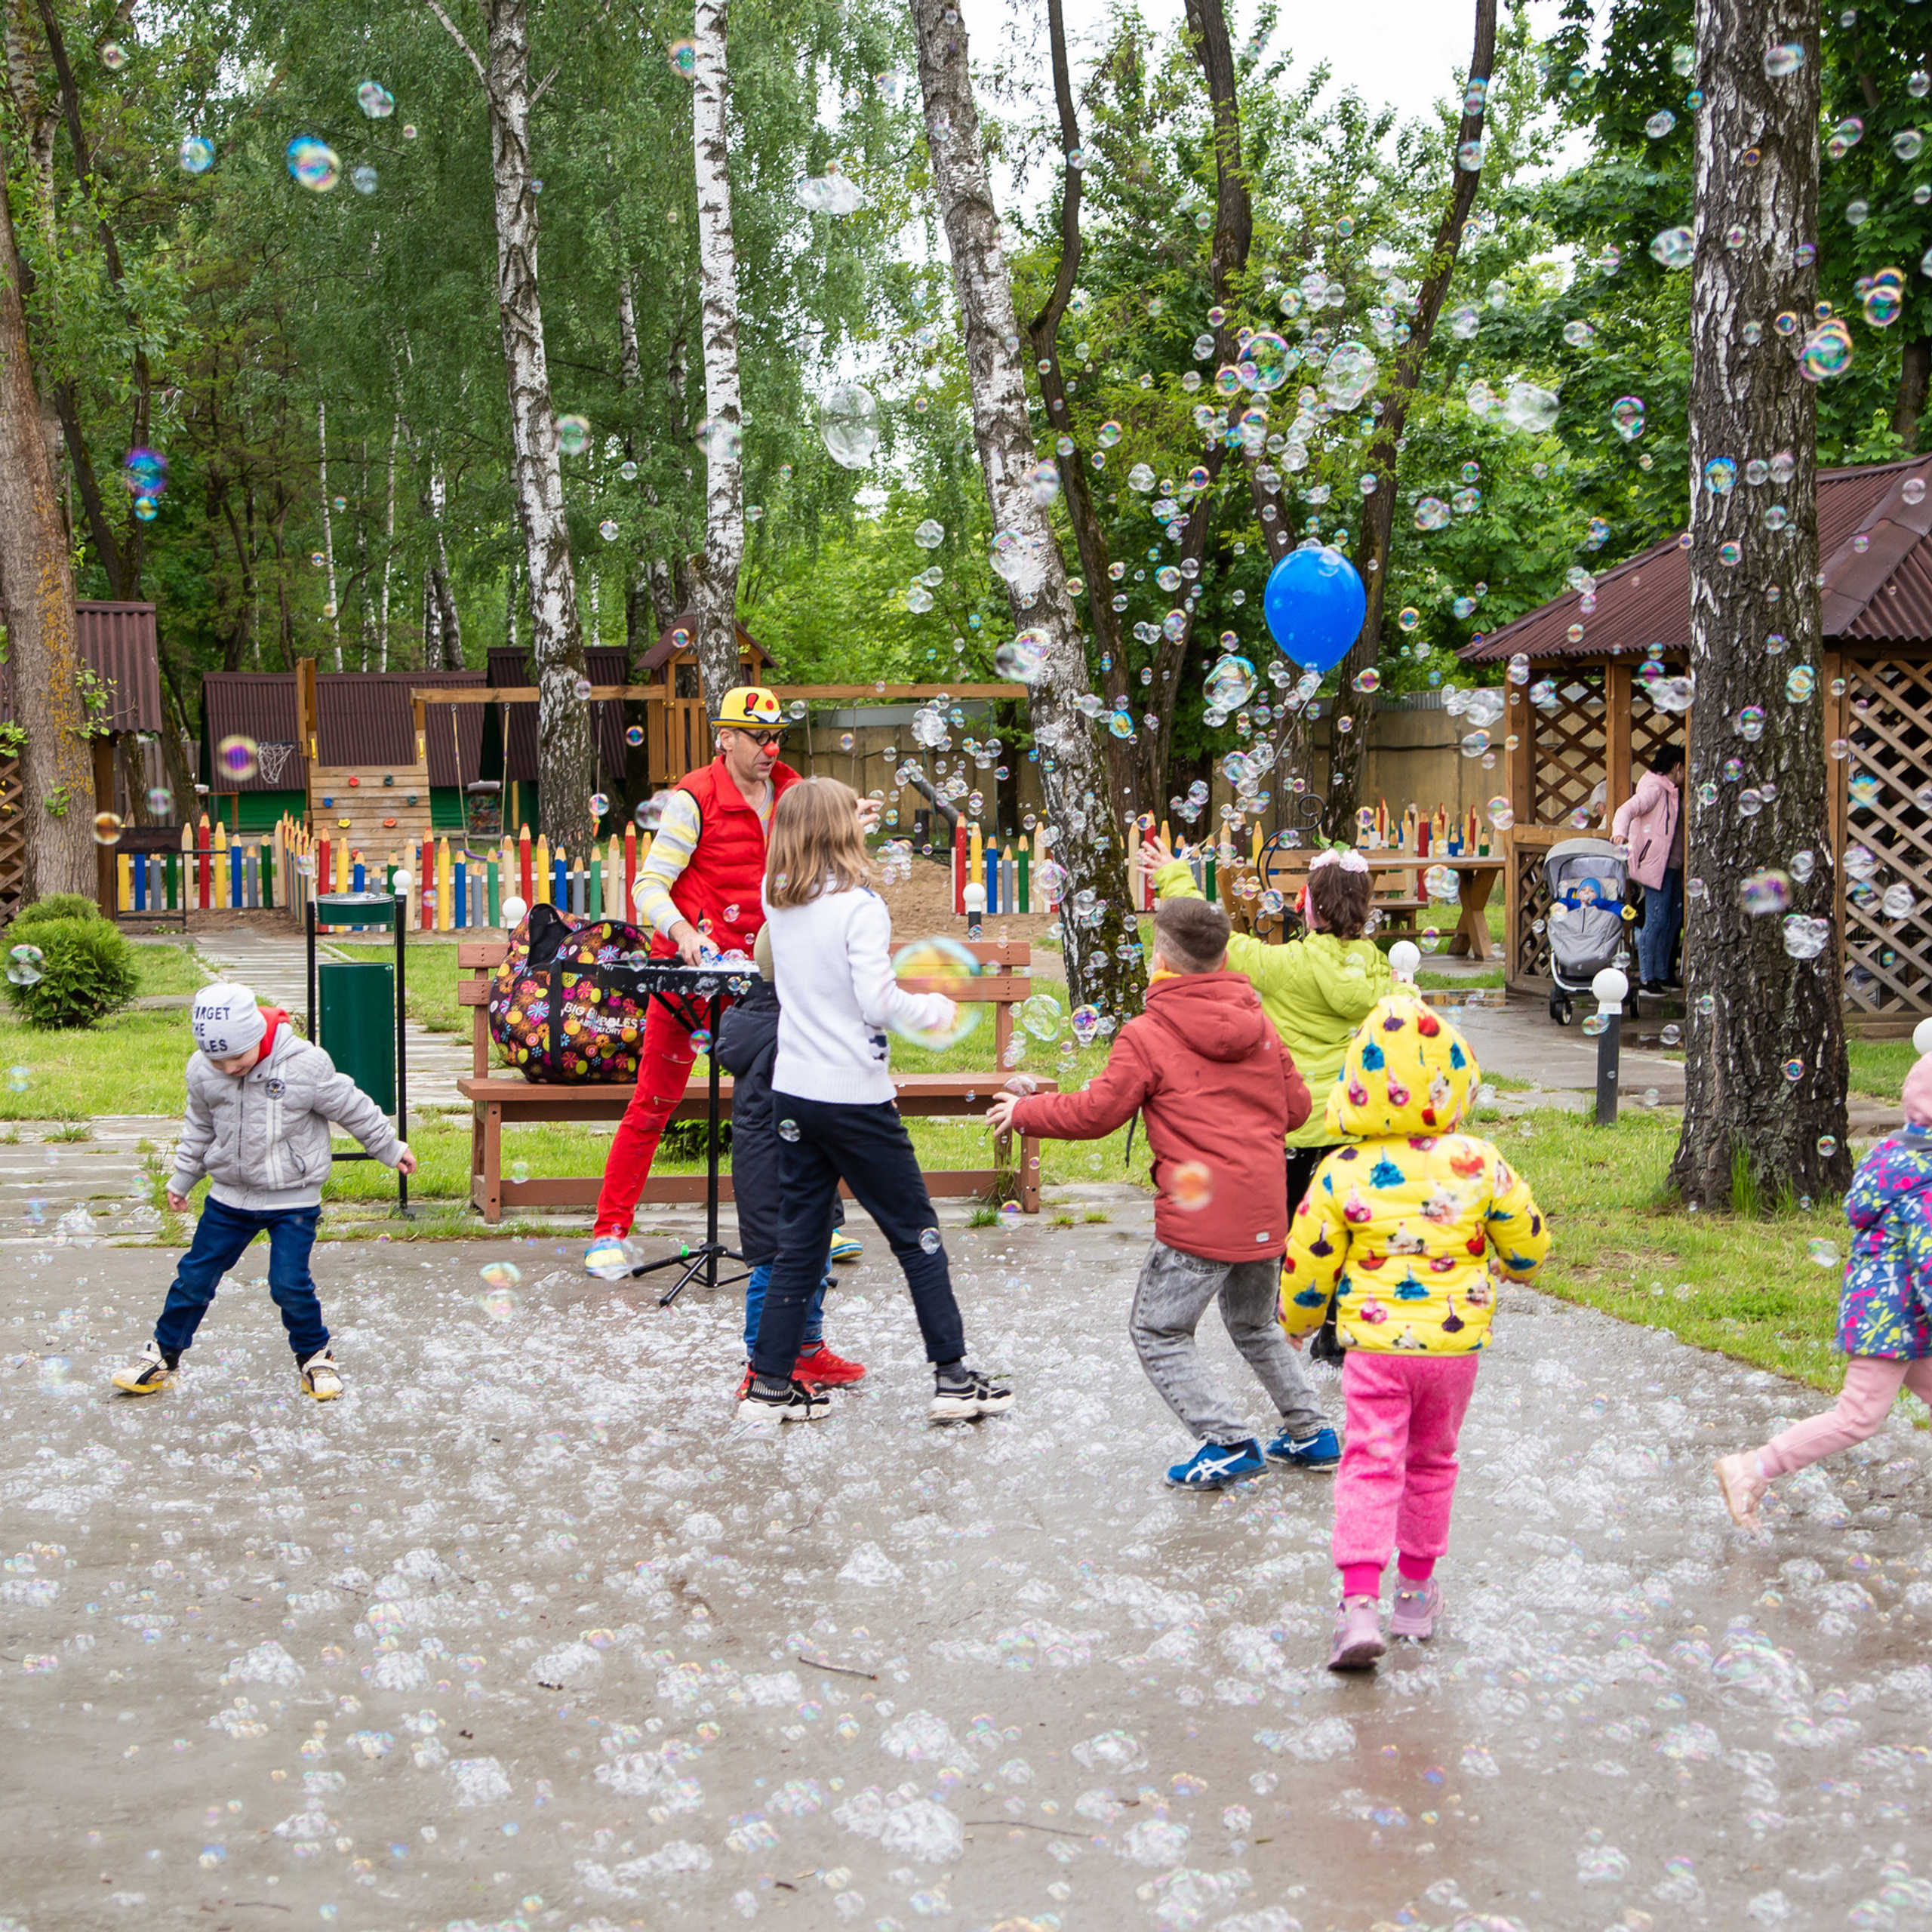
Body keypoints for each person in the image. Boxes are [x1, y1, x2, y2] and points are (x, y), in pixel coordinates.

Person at [987, 892, 1333, 1487]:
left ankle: (1226, 1440)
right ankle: (1313, 1432)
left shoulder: (1149, 1033)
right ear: (1225, 955)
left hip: (1201, 1218)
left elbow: (1096, 1112)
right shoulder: (1261, 1023)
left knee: (1158, 1330)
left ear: (1161, 959)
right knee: (1254, 1325)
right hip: (1264, 1209)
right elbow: (1298, 1108)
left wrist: (1025, 1112)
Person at [1279, 994, 1549, 1669]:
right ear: (1455, 1080)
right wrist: (1515, 1263)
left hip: (1373, 1350)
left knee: (1370, 1463)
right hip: (1453, 1352)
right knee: (1432, 1463)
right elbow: (1528, 1244)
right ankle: (1417, 1598)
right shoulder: (1481, 1163)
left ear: (1357, 1086)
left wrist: (1297, 1322)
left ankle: (1359, 1604)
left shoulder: (1341, 1170)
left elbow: (1307, 1260)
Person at [744, 777, 1011, 1425]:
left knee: (799, 1242)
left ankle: (770, 1387)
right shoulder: (861, 907)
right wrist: (936, 1007)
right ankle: (953, 1379)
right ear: (842, 831)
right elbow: (877, 1003)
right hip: (854, 1099)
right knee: (916, 1233)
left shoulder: (777, 897)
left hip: (795, 1095)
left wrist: (839, 815)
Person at [590, 684, 869, 1266]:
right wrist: (685, 934)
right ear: (726, 737)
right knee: (653, 1103)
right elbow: (648, 886)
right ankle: (610, 1231)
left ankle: (820, 1224)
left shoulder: (793, 792)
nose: (770, 749)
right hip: (693, 976)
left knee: (804, 1098)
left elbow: (825, 867)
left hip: (773, 975)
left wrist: (851, 826)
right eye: (758, 737)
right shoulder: (693, 799)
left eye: (776, 737)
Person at [1142, 835, 1393, 1371]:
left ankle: (1285, 1326)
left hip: (1297, 1130)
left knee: (1289, 1236)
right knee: (1346, 1230)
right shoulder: (1380, 973)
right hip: (1357, 1129)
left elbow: (1207, 943)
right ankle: (1338, 1332)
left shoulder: (1286, 967)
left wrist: (1176, 877)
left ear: (1307, 904)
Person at [112, 983, 419, 1400]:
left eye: (237, 1057)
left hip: (292, 1198)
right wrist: (184, 1178)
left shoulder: (304, 1066)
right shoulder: (204, 1071)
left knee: (288, 1283)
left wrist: (389, 1147)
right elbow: (199, 1130)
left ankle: (315, 1357)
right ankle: (163, 1356)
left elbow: (353, 1107)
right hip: (229, 1198)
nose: (228, 1069)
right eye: (216, 1060)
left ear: (258, 1036)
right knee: (194, 1278)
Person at [1716, 1060, 1932, 1531]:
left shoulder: (1894, 1159)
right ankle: (1752, 1467)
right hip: (1891, 1322)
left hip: (1892, 1316)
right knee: (1857, 1418)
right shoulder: (1928, 1181)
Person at [712, 923, 866, 1397]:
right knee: (775, 1263)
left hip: (801, 1159)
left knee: (815, 1254)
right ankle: (762, 1365)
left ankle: (807, 1349)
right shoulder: (787, 1028)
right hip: (774, 1166)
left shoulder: (783, 1016)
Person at [1611, 744, 1684, 995]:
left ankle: (1664, 974)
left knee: (1673, 921)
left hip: (1673, 866)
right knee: (1656, 920)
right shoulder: (1654, 789)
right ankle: (1646, 978)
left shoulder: (1673, 791)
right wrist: (1619, 834)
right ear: (1677, 767)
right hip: (1655, 866)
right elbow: (1626, 810)